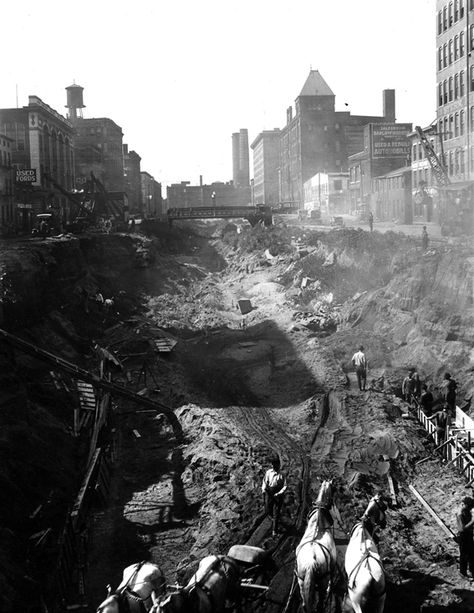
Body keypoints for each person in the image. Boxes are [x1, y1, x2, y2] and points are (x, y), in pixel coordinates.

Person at [262, 456, 287, 536]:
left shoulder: (282, 475)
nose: (273, 466)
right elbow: (265, 481)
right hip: (269, 493)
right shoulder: (268, 472)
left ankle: (274, 530)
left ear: (279, 465)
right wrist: (264, 489)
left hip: (278, 495)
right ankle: (272, 518)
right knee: (268, 509)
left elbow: (285, 486)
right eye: (272, 465)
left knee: (276, 512)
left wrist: (279, 494)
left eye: (275, 465)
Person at [456, 497, 474, 579]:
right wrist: (473, 521)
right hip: (463, 536)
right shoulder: (460, 513)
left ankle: (471, 571)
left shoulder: (467, 512)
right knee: (464, 555)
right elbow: (461, 529)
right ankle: (463, 573)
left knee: (471, 554)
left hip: (469, 534)